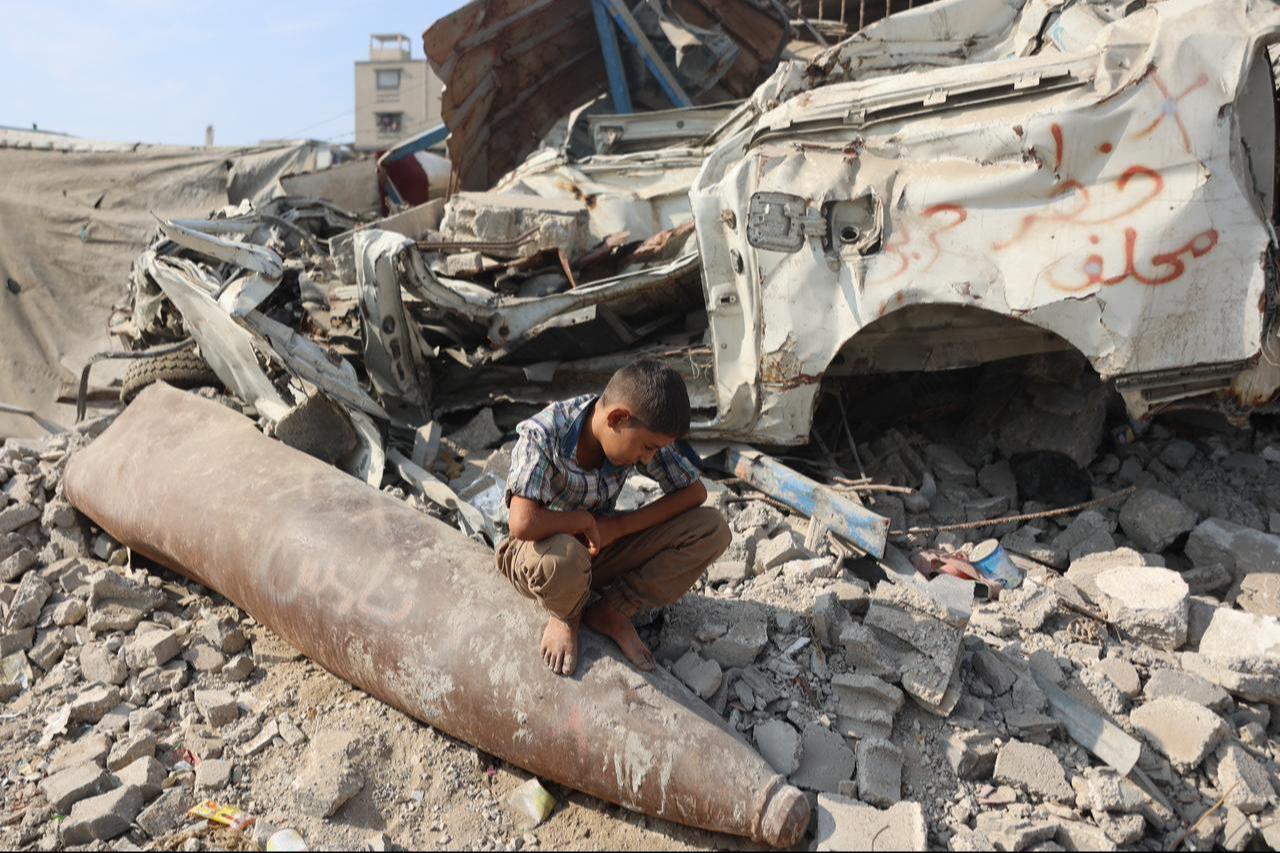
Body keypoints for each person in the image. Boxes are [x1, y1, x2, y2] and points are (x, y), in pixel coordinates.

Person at [497, 359, 731, 676]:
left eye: (655, 450)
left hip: (597, 549)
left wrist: (616, 527)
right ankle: (566, 614)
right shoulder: (545, 434)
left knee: (711, 529)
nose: (649, 458)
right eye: (647, 448)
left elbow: (694, 493)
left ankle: (612, 610)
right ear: (617, 419)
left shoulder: (638, 425)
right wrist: (583, 521)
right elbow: (522, 523)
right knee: (562, 559)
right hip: (537, 554)